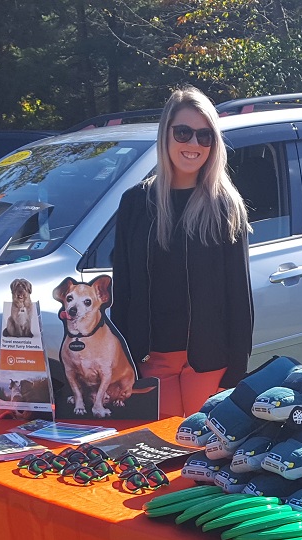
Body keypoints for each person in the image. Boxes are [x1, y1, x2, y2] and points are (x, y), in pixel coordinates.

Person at [110, 86, 254, 419]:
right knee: (157, 448)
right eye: (183, 132)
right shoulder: (135, 203)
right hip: (150, 363)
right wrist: (123, 361)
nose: (194, 144)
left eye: (205, 136)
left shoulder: (224, 206)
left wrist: (236, 370)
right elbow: (124, 291)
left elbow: (239, 297)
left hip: (209, 363)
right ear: (166, 134)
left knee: (201, 448)